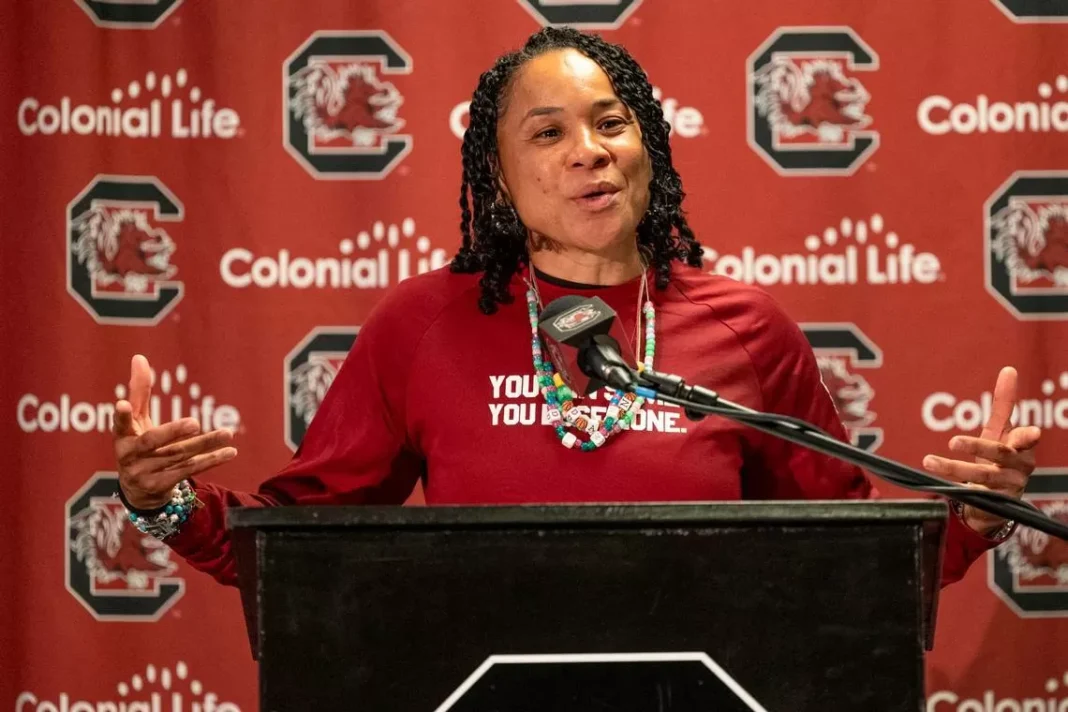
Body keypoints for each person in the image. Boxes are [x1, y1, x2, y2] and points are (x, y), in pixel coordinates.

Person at [112, 27, 1040, 589]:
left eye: (610, 123)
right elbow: (296, 541)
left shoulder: (747, 328)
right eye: (548, 133)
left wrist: (978, 515)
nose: (588, 151)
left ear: (648, 150)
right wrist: (166, 503)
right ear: (499, 179)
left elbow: (853, 554)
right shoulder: (422, 327)